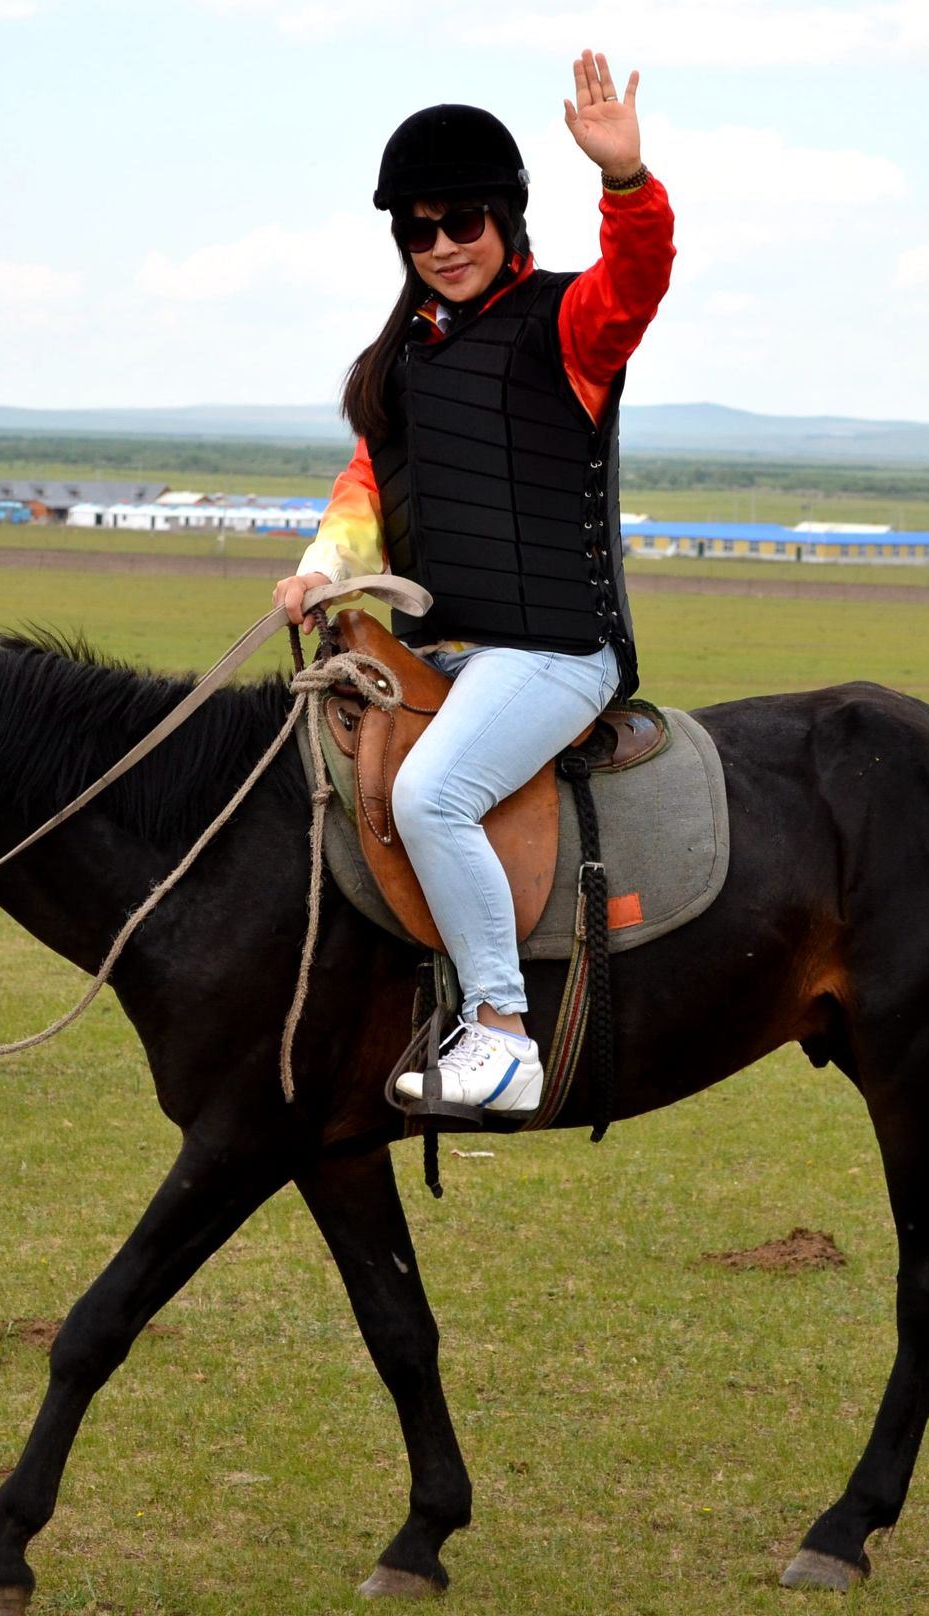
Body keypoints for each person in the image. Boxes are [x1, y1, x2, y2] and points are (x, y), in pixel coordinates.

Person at [274, 50, 674, 1116]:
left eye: (463, 222)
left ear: (505, 220)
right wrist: (321, 572)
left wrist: (626, 184)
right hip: (446, 651)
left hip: (554, 653)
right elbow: (365, 496)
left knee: (432, 793)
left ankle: (500, 1030)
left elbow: (635, 282)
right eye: (419, 228)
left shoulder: (568, 325)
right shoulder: (398, 364)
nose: (442, 245)